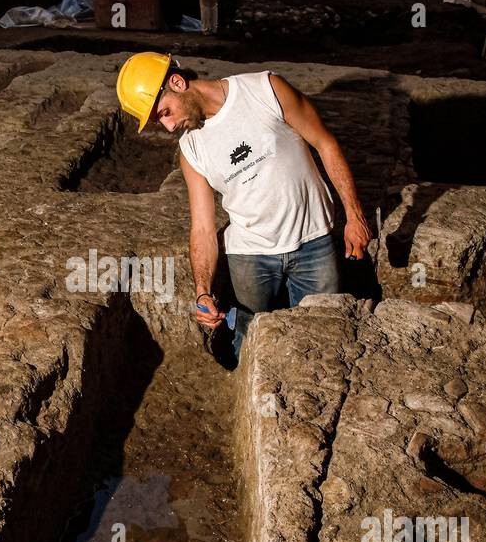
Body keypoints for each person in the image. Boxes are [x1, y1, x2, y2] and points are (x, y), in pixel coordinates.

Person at [114, 53, 371, 360]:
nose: (169, 127)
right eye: (160, 121)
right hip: (250, 256)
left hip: (313, 242)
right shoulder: (190, 147)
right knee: (249, 340)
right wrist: (203, 292)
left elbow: (326, 144)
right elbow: (203, 228)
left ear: (177, 82)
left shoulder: (266, 90)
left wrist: (354, 217)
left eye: (166, 112)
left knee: (321, 339)